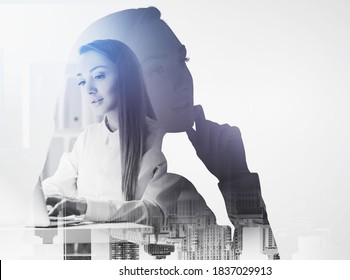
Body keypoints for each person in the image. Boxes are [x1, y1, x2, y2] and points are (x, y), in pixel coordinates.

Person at [72, 7, 270, 228]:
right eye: (156, 70)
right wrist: (238, 182)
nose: (182, 81)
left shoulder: (86, 174)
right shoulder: (178, 199)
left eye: (182, 60)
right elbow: (260, 260)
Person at [42, 39, 184, 224]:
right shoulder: (88, 137)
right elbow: (57, 184)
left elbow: (154, 211)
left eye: (99, 76)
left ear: (127, 76)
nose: (89, 89)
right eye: (82, 81)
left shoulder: (164, 139)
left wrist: (83, 207)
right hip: (89, 245)